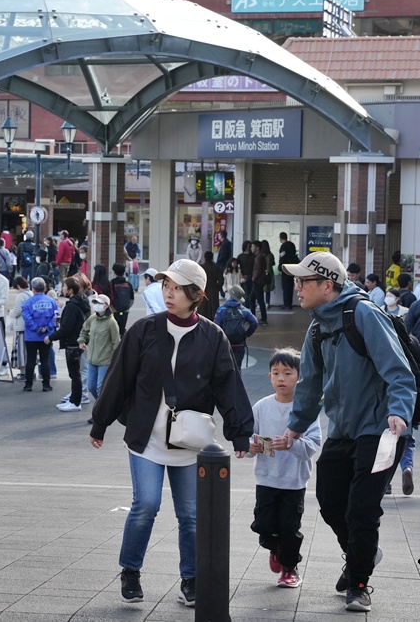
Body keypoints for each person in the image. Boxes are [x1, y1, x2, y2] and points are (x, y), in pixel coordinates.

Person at [89, 259, 254, 607]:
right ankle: (131, 571)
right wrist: (100, 421)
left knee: (191, 516)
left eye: (177, 288)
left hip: (189, 442)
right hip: (146, 438)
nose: (169, 293)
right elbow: (118, 377)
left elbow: (228, 385)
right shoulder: (143, 330)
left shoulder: (213, 336)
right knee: (146, 505)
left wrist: (240, 433)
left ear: (196, 295)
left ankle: (190, 580)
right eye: (166, 286)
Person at [281, 251, 415, 613]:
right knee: (329, 501)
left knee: (362, 509)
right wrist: (295, 426)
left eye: (303, 281)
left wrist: (399, 411)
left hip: (381, 430)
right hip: (342, 430)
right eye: (296, 281)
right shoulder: (316, 328)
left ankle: (358, 583)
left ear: (327, 285)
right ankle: (362, 553)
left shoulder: (364, 314)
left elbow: (398, 370)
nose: (297, 287)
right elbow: (309, 384)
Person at [249, 348, 321, 589]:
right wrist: (250, 446)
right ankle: (275, 548)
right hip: (266, 478)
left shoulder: (306, 409)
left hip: (294, 481)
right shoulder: (261, 406)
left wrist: (292, 444)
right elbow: (249, 436)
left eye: (288, 373)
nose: (281, 378)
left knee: (290, 528)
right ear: (269, 376)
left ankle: (289, 568)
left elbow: (313, 444)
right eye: (276, 372)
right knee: (264, 524)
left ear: (300, 377)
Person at [51, 277, 91, 412]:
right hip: (78, 341)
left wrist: (50, 337)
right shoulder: (82, 301)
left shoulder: (72, 306)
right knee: (76, 373)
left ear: (70, 290)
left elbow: (66, 328)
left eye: (64, 287)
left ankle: (75, 401)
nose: (62, 289)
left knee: (75, 374)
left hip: (73, 343)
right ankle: (74, 399)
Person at [79, 293, 120, 416]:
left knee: (100, 387)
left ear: (106, 305)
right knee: (91, 387)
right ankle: (104, 405)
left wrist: (115, 360)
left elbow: (116, 343)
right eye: (95, 303)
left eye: (99, 303)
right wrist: (81, 341)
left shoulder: (111, 322)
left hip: (105, 361)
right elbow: (84, 330)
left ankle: (100, 411)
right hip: (92, 359)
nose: (96, 305)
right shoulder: (93, 318)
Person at [21, 277, 58, 392]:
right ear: (45, 288)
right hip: (46, 336)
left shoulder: (27, 303)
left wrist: (36, 328)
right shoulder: (52, 302)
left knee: (30, 360)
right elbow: (56, 317)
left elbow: (27, 318)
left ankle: (28, 385)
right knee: (45, 359)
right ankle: (46, 384)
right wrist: (47, 328)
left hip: (31, 336)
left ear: (33, 289)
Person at [213, 284, 258, 369]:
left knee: (224, 368)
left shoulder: (221, 310)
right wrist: (246, 334)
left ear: (230, 295)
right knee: (237, 368)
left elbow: (216, 327)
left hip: (225, 344)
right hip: (239, 344)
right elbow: (255, 323)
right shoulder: (244, 310)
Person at [8, 276, 34, 367]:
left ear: (18, 286)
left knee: (21, 351)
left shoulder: (21, 296)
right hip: (29, 326)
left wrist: (10, 312)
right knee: (28, 351)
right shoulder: (30, 293)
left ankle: (23, 371)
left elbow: (17, 312)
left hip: (21, 326)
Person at [110, 262, 135, 335]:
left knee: (114, 330)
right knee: (122, 329)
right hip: (125, 310)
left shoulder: (112, 283)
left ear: (114, 272)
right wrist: (127, 307)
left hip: (114, 310)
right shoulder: (128, 284)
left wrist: (112, 307)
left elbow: (110, 296)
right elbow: (132, 299)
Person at [277, 233, 299, 309]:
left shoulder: (283, 246)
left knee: (285, 286)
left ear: (280, 238)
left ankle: (286, 303)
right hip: (292, 268)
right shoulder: (292, 245)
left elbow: (282, 257)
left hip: (285, 268)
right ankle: (289, 303)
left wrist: (280, 268)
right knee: (290, 286)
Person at [199, 250, 223, 321]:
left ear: (205, 257)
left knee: (203, 307)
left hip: (203, 288)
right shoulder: (216, 267)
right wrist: (218, 287)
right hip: (214, 288)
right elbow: (221, 279)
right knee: (213, 306)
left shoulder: (201, 267)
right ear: (212, 257)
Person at [249, 241, 268, 325]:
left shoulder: (258, 257)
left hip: (258, 281)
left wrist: (254, 278)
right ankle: (254, 317)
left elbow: (258, 269)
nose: (251, 248)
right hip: (259, 281)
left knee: (259, 299)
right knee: (252, 298)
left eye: (253, 246)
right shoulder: (261, 256)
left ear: (257, 247)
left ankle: (263, 318)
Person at [237, 240, 255, 312]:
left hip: (252, 276)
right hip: (244, 277)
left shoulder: (253, 256)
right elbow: (238, 268)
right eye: (247, 246)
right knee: (245, 293)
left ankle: (250, 307)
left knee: (251, 293)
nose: (248, 248)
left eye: (249, 246)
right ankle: (245, 307)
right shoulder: (240, 256)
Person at [260, 240, 276, 311]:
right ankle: (267, 302)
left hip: (262, 273)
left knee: (261, 289)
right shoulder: (270, 254)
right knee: (267, 289)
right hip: (269, 273)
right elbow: (273, 263)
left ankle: (261, 303)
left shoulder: (260, 255)